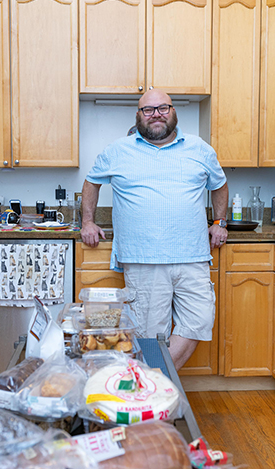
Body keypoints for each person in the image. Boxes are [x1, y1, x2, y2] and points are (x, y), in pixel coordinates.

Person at [80, 89, 229, 370]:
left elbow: (219, 184)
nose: (156, 114)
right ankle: (151, 393)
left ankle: (150, 381)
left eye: (163, 108)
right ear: (138, 116)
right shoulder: (117, 150)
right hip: (143, 259)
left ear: (173, 112)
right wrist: (87, 221)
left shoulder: (200, 149)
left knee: (199, 322)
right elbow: (91, 182)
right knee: (149, 335)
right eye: (148, 110)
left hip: (194, 256)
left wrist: (219, 222)